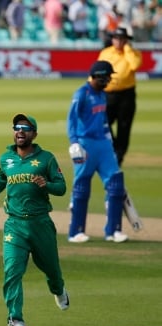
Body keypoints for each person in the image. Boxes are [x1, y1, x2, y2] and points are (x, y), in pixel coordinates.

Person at [0, 114, 70, 326]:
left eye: (25, 128)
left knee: (51, 270)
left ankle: (58, 289)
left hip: (40, 224)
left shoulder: (46, 159)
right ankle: (16, 320)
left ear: (34, 134)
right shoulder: (6, 158)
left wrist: (46, 184)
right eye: (17, 127)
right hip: (14, 225)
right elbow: (0, 179)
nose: (20, 131)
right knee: (12, 272)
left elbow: (62, 188)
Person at [67, 60, 129, 244]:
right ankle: (76, 231)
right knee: (81, 187)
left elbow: (103, 122)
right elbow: (71, 120)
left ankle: (113, 231)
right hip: (85, 144)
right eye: (108, 77)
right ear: (99, 76)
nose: (110, 80)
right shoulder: (82, 94)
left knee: (116, 185)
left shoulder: (102, 95)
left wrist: (110, 141)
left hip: (103, 145)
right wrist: (74, 143)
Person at [98, 26, 143, 165]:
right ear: (112, 39)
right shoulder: (106, 52)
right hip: (108, 93)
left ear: (126, 40)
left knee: (124, 127)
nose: (118, 41)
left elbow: (135, 66)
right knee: (103, 122)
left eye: (121, 39)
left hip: (126, 95)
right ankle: (113, 148)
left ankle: (119, 156)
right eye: (116, 38)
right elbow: (98, 69)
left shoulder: (133, 53)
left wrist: (128, 49)